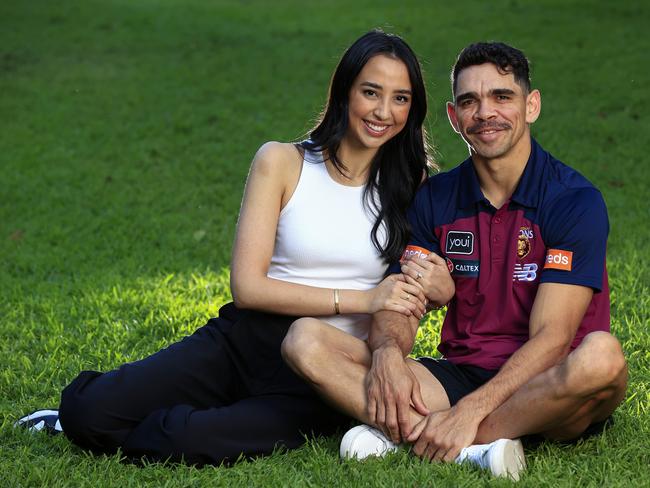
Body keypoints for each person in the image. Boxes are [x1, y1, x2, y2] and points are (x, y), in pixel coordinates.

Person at [15, 30, 444, 466]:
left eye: (400, 99)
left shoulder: (413, 186)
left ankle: (174, 424)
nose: (383, 111)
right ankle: (93, 419)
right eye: (370, 92)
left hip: (317, 369)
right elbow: (248, 287)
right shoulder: (281, 162)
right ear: (344, 91)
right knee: (85, 411)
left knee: (187, 439)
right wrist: (365, 298)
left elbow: (423, 285)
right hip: (244, 339)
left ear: (413, 108)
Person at [282, 41, 628, 481]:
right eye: (470, 101)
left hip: (548, 380)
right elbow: (402, 299)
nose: (486, 113)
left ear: (532, 105)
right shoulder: (436, 199)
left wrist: (470, 412)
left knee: (602, 357)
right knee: (305, 341)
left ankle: (442, 436)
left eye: (502, 96)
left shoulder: (572, 201)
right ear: (453, 116)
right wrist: (388, 353)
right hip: (461, 375)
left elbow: (553, 338)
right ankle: (474, 448)